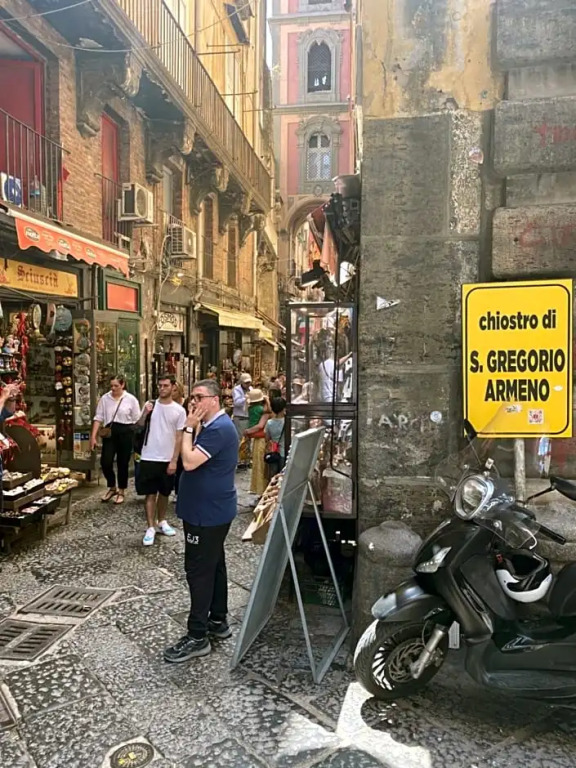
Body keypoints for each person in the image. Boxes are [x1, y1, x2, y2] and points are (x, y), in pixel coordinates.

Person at [164, 378, 239, 662]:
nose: (193, 402)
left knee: (198, 571)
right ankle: (217, 620)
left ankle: (197, 635)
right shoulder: (213, 426)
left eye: (199, 397)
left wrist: (187, 427)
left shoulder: (218, 428)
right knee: (214, 564)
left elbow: (190, 461)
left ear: (214, 400)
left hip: (206, 513)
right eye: (192, 397)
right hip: (209, 509)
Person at [138, 373, 186, 546]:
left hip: (167, 457)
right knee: (150, 493)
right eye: (160, 386)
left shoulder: (179, 410)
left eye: (166, 385)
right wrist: (145, 413)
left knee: (165, 492)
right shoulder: (150, 405)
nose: (162, 389)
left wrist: (174, 460)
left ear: (173, 387)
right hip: (149, 455)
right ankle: (150, 526)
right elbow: (139, 425)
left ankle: (162, 520)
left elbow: (179, 437)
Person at [91, 375, 141, 504]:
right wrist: (93, 437)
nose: (113, 388)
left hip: (126, 432)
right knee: (106, 461)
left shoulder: (131, 399)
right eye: (111, 386)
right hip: (110, 432)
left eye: (116, 386)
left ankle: (121, 490)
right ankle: (112, 486)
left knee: (122, 463)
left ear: (122, 385)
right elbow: (98, 417)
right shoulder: (105, 398)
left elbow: (137, 419)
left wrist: (136, 436)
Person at [245, 388, 269, 497]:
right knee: (260, 464)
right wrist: (267, 401)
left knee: (257, 463)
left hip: (255, 438)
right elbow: (260, 425)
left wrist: (248, 431)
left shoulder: (251, 409)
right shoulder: (262, 410)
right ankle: (261, 489)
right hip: (261, 438)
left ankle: (258, 489)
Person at [264, 396, 287, 476]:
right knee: (283, 476)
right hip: (285, 452)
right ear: (284, 408)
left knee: (274, 477)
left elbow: (266, 438)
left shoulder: (269, 423)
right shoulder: (287, 421)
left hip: (274, 452)